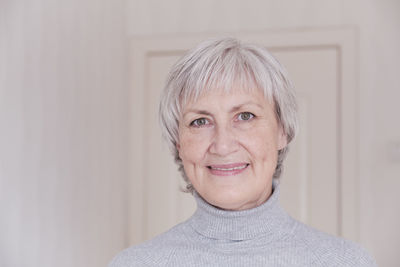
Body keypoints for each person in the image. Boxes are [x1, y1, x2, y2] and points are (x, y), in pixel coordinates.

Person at [110, 37, 376, 266]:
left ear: (282, 130)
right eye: (200, 122)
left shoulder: (346, 262)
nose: (223, 146)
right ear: (179, 143)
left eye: (245, 116)